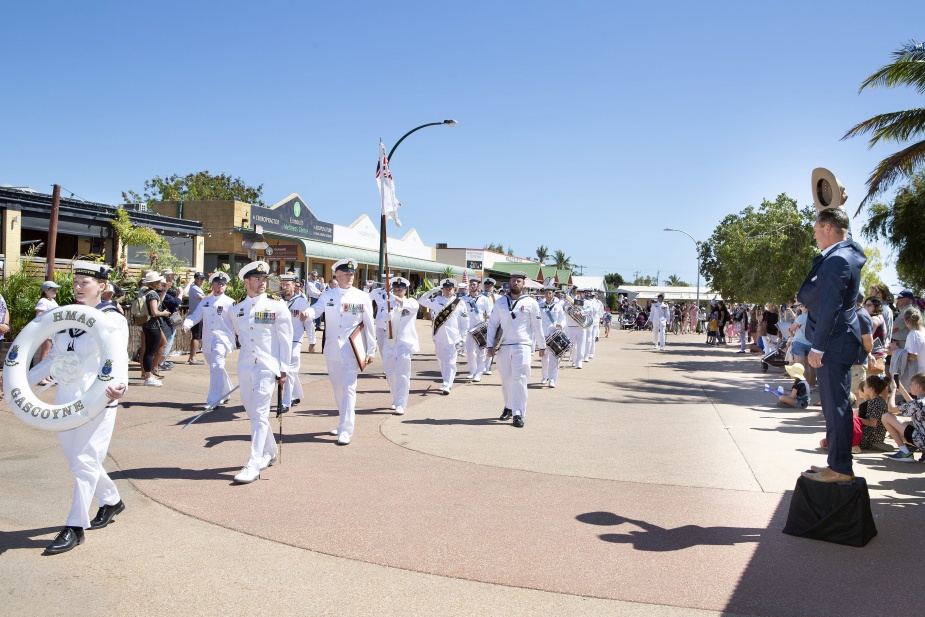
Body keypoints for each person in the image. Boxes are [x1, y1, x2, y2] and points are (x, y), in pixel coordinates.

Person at [22, 261, 129, 555]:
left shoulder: (113, 320)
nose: (79, 288)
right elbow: (53, 361)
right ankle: (111, 500)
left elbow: (118, 360)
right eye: (77, 282)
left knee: (84, 460)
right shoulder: (67, 317)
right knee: (78, 460)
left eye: (85, 282)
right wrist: (18, 383)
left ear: (102, 286)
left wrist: (120, 387)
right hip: (66, 399)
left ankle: (74, 527)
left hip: (98, 400)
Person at [798, 207, 867, 483]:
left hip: (833, 342)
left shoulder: (838, 259)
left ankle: (840, 468)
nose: (815, 235)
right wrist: (839, 204)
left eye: (817, 230)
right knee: (836, 405)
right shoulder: (849, 250)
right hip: (840, 340)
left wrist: (818, 347)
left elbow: (830, 307)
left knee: (836, 407)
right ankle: (837, 463)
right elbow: (845, 231)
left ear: (828, 228)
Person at [299, 258, 376, 444]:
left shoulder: (362, 296)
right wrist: (307, 314)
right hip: (333, 349)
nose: (350, 277)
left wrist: (371, 350)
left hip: (352, 349)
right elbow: (317, 310)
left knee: (349, 388)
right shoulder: (328, 295)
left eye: (352, 274)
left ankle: (346, 429)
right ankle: (343, 421)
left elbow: (369, 323)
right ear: (337, 275)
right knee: (338, 388)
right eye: (346, 274)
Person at [229, 261, 292, 483]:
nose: (262, 283)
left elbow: (285, 340)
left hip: (268, 366)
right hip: (246, 366)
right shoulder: (236, 309)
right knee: (253, 412)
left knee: (259, 413)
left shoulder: (277, 306)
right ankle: (270, 451)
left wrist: (284, 369)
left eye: (264, 279)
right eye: (257, 279)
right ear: (246, 281)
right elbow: (241, 337)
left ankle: (253, 464)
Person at [485, 271, 546, 427]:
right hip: (504, 346)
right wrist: (489, 345)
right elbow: (492, 324)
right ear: (509, 283)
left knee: (519, 379)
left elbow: (537, 326)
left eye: (518, 281)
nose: (515, 283)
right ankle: (509, 406)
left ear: (523, 284)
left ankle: (518, 413)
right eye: (513, 280)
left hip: (523, 345)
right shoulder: (500, 302)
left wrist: (542, 345)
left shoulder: (531, 303)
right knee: (506, 379)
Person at [181, 272, 236, 409]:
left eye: (222, 284)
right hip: (208, 339)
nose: (219, 287)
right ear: (212, 285)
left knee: (217, 366)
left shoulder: (230, 303)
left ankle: (214, 399)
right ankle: (226, 391)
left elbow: (238, 322)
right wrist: (187, 324)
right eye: (217, 284)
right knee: (216, 366)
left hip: (222, 339)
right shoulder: (205, 301)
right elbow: (196, 315)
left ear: (225, 287)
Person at [376, 277, 419, 415]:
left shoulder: (410, 302)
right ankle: (396, 397)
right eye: (395, 288)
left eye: (401, 288)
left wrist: (394, 298)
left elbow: (412, 306)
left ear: (405, 290)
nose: (398, 290)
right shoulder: (385, 304)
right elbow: (378, 323)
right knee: (389, 373)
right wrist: (385, 319)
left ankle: (401, 403)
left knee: (403, 373)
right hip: (389, 342)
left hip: (404, 342)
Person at [418, 278, 468, 394]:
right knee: (441, 360)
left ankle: (447, 384)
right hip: (439, 336)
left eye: (450, 288)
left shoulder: (459, 303)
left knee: (450, 362)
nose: (448, 291)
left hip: (453, 337)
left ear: (454, 289)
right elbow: (421, 300)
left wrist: (463, 337)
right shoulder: (436, 300)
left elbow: (465, 321)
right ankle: (446, 379)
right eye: (446, 288)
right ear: (442, 289)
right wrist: (432, 291)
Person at [279, 273, 310, 412]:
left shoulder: (302, 301)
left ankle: (285, 401)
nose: (285, 287)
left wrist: (312, 341)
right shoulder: (276, 301)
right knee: (291, 370)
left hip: (295, 339)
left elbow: (308, 323)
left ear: (294, 285)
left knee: (290, 369)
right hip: (280, 340)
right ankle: (296, 394)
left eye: (288, 284)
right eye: (283, 284)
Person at [882, 372, 925, 462]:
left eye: (912, 384)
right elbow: (913, 405)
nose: (910, 386)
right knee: (899, 434)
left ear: (917, 386)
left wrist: (893, 390)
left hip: (922, 441)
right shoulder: (919, 403)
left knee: (886, 416)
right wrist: (902, 390)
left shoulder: (917, 403)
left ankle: (904, 452)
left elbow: (891, 409)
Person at [139, 271, 170, 386]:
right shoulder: (152, 294)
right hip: (153, 325)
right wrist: (164, 314)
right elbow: (155, 311)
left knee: (148, 351)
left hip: (146, 325)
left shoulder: (144, 292)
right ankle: (148, 377)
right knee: (150, 352)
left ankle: (147, 375)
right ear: (155, 282)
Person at [461, 278, 491, 382]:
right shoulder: (464, 299)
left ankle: (479, 373)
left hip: (480, 328)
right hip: (469, 329)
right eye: (471, 284)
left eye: (474, 284)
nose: (472, 286)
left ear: (478, 286)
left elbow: (490, 312)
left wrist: (488, 316)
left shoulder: (484, 299)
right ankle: (472, 371)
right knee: (470, 351)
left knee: (482, 351)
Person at [538, 285, 566, 387]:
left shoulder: (558, 306)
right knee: (544, 358)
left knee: (554, 358)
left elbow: (563, 319)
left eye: (550, 293)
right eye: (546, 293)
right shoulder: (540, 306)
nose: (548, 295)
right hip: (544, 335)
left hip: (554, 335)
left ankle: (553, 379)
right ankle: (545, 376)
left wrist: (561, 324)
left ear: (553, 294)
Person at [857, 374, 889, 451]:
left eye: (865, 386)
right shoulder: (880, 400)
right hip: (878, 436)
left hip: (871, 438)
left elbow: (872, 423)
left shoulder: (874, 402)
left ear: (870, 389)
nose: (863, 387)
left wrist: (856, 419)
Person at [34, 280, 61, 365]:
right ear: (46, 290)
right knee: (45, 353)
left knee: (50, 354)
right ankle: (40, 375)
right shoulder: (43, 301)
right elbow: (39, 316)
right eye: (53, 289)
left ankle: (46, 375)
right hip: (47, 330)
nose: (55, 291)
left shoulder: (52, 301)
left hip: (53, 330)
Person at [481, 278, 501, 375]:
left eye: (489, 286)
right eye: (486, 286)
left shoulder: (498, 297)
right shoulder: (480, 296)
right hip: (481, 323)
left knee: (491, 345)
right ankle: (480, 366)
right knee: (481, 345)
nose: (488, 287)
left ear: (493, 287)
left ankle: (487, 366)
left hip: (493, 323)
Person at [185, 272, 206, 365]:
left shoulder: (195, 288)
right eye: (199, 279)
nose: (201, 281)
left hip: (197, 315)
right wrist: (213, 292)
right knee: (196, 337)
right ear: (195, 279)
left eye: (202, 279)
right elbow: (203, 299)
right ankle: (193, 358)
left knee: (197, 336)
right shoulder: (195, 288)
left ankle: (192, 357)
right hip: (196, 316)